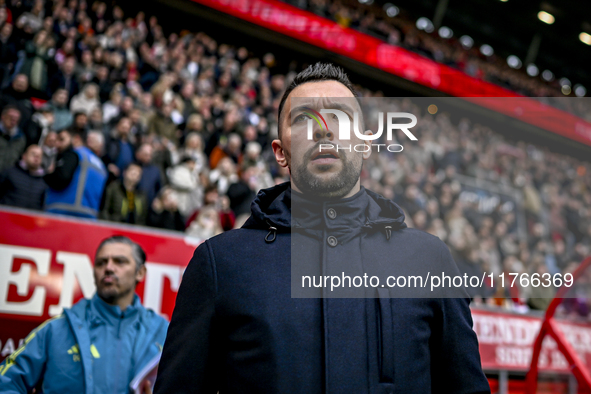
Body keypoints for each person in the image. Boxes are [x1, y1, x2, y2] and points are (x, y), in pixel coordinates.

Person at [155, 63, 490, 393]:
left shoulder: (429, 259)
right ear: (280, 152)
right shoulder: (220, 262)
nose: (323, 129)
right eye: (303, 118)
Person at [0, 235, 169, 393]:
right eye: (101, 263)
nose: (108, 268)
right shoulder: (57, 330)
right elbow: (6, 382)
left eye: (119, 261)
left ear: (140, 272)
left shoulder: (164, 333)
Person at [44, 129, 107, 218]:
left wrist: (48, 174)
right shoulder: (102, 167)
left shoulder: (76, 153)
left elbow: (62, 178)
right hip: (89, 218)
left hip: (62, 213)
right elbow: (103, 200)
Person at [0, 144, 47, 210]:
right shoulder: (9, 172)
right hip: (7, 217)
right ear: (24, 156)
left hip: (29, 219)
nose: (36, 158)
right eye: (33, 154)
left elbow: (41, 206)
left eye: (39, 156)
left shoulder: (43, 182)